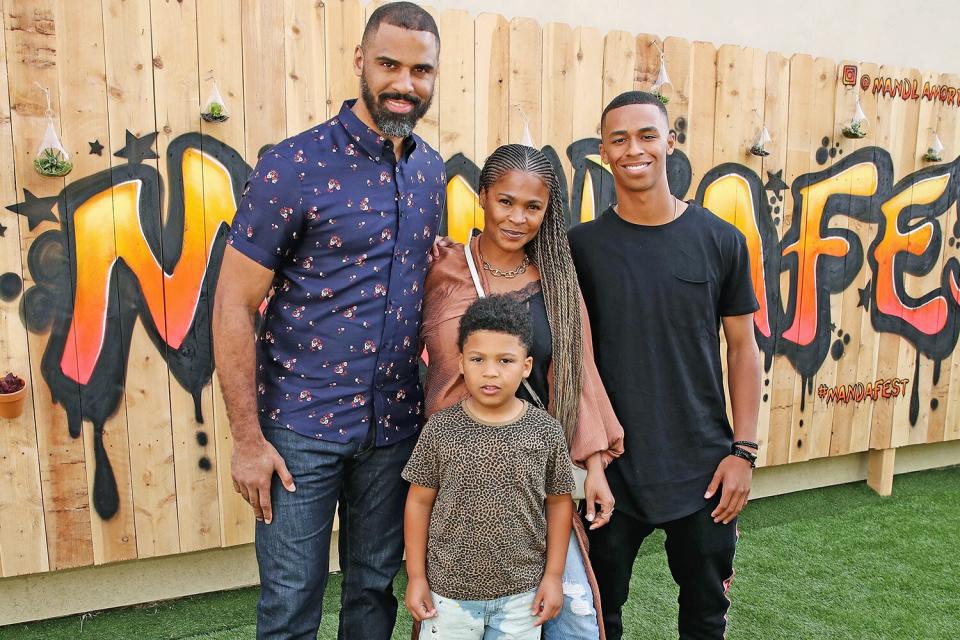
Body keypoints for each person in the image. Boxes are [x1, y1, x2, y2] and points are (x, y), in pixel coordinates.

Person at [211, 4, 445, 639]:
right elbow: (233, 304)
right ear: (359, 64)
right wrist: (247, 441)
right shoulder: (294, 164)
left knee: (373, 593)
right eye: (389, 64)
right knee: (290, 607)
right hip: (298, 432)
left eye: (420, 69)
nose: (404, 82)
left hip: (395, 428)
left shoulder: (431, 171)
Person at [567, 90, 763, 640]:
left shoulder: (720, 240)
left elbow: (743, 347)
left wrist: (743, 452)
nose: (635, 149)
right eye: (619, 139)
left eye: (647, 134)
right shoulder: (580, 247)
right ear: (603, 151)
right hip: (611, 467)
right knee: (597, 617)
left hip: (702, 466)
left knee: (705, 615)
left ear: (670, 141)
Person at [421, 143, 624, 639]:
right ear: (484, 197)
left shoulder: (556, 281)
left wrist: (594, 465)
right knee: (456, 616)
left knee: (566, 619)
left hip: (535, 473)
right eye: (506, 201)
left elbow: (581, 373)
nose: (517, 218)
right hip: (457, 474)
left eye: (533, 207)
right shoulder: (440, 269)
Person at [403, 295, 577, 639]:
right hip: (447, 596)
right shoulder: (441, 429)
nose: (491, 371)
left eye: (506, 360)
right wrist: (416, 577)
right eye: (478, 359)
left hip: (521, 598)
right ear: (462, 363)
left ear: (526, 366)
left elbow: (559, 503)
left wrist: (553, 577)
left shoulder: (545, 431)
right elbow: (418, 502)